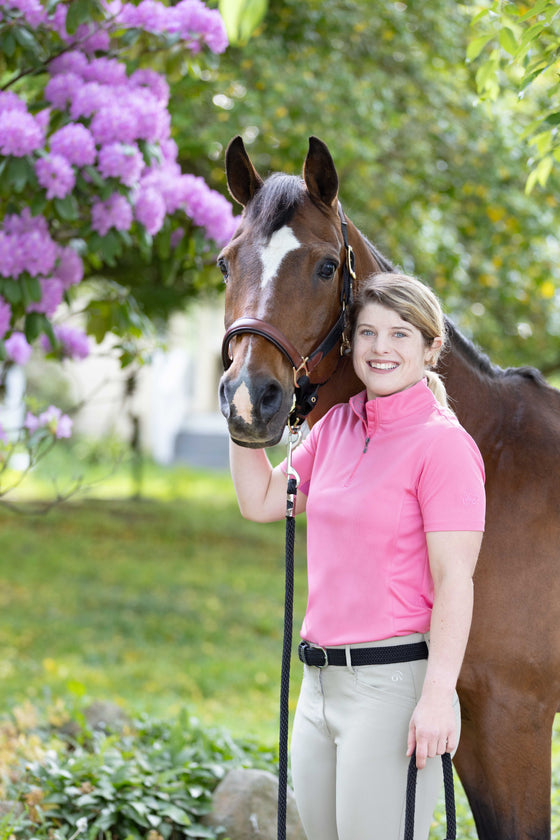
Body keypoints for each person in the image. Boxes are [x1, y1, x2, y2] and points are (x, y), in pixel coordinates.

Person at [228, 272, 485, 840]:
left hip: (391, 688)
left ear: (431, 347)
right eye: (367, 333)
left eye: (399, 334)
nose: (380, 348)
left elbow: (455, 580)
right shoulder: (337, 427)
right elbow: (261, 500)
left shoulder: (444, 446)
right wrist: (241, 413)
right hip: (318, 687)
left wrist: (438, 697)